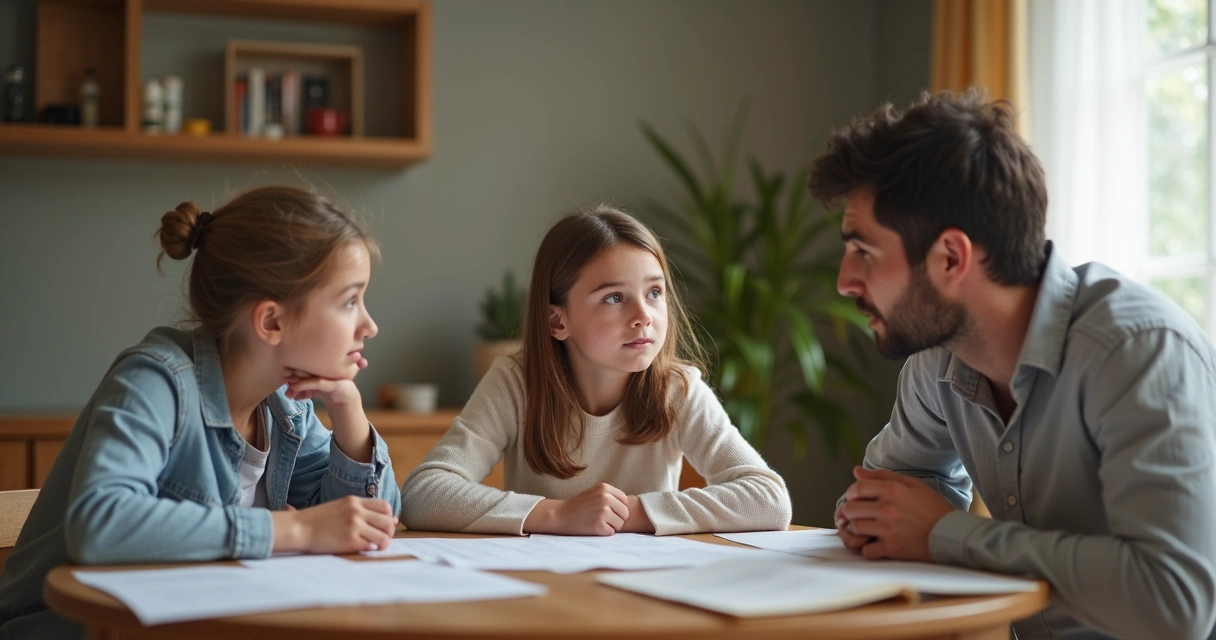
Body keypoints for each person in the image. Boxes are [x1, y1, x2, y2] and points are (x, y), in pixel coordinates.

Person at [810, 89, 1216, 640]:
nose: (844, 281)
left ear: (951, 258)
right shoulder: (938, 360)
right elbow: (894, 493)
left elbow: (1176, 605)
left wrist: (945, 535)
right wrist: (873, 518)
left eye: (863, 251)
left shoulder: (1137, 351)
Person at [0, 186, 400, 639]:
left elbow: (370, 520)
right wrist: (297, 528)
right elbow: (100, 524)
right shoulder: (155, 381)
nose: (369, 324)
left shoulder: (286, 407)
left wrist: (348, 411)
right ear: (271, 321)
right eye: (350, 301)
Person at [401, 206, 791, 536]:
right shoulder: (516, 383)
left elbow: (769, 499)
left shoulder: (678, 390)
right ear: (557, 321)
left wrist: (633, 513)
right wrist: (557, 514)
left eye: (654, 292)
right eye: (614, 297)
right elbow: (423, 494)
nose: (644, 317)